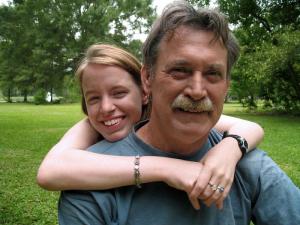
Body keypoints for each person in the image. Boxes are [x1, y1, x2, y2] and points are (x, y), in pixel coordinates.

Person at [58, 2, 300, 224]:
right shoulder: (90, 186)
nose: (197, 91)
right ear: (147, 78)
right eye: (180, 70)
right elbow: (53, 169)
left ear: (227, 85)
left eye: (212, 74)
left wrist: (232, 147)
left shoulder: (249, 166)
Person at [37, 43, 264, 209]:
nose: (106, 107)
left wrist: (228, 151)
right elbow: (50, 172)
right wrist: (167, 168)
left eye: (119, 93)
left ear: (145, 91)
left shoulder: (165, 114)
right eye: (93, 98)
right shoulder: (90, 126)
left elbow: (251, 127)